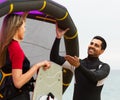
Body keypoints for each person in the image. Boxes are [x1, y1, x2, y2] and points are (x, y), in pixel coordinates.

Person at [50, 25, 110, 100]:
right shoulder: (77, 63)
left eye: (96, 45)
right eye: (91, 43)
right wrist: (58, 37)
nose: (92, 46)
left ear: (102, 51)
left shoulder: (104, 66)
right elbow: (54, 58)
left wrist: (79, 66)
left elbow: (95, 77)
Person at [0, 13, 51, 100]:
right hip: (17, 97)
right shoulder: (16, 50)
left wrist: (25, 13)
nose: (25, 30)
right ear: (17, 28)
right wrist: (37, 66)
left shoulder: (5, 46)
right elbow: (18, 82)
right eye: (24, 27)